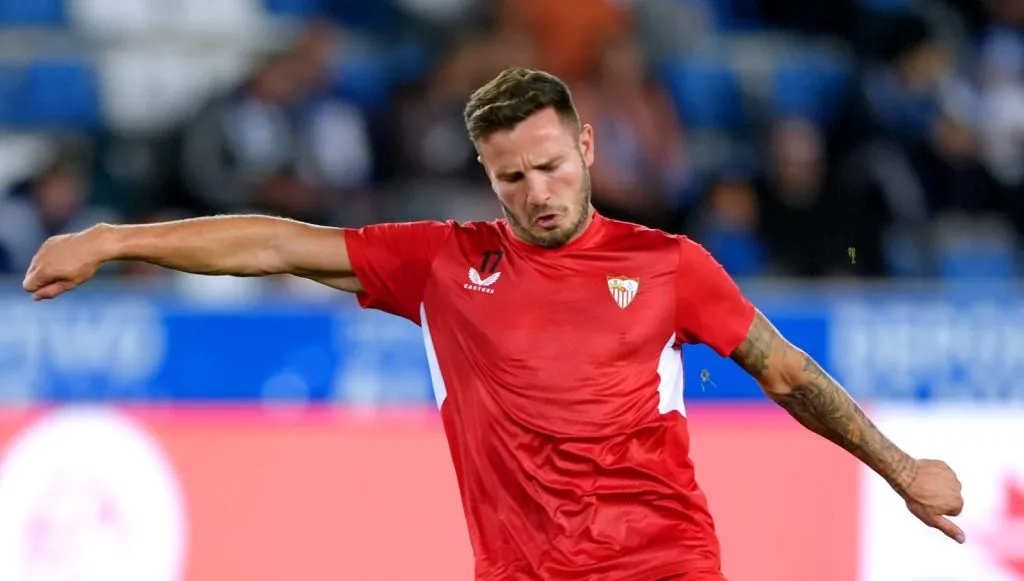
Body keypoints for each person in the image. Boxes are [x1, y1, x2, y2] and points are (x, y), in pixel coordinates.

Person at [23, 68, 964, 581]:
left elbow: (786, 371)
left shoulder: (668, 264)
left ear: (585, 147)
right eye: (512, 177)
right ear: (486, 174)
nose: (537, 192)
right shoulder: (441, 261)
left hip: (662, 562)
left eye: (552, 166)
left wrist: (902, 470)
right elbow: (277, 244)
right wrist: (113, 237)